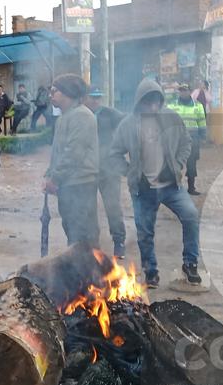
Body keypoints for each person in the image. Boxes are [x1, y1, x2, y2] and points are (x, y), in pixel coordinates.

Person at [108, 78, 201, 288]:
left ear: (161, 100)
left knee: (191, 216)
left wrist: (178, 163)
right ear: (139, 101)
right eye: (147, 102)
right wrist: (130, 171)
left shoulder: (171, 117)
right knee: (145, 232)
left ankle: (190, 263)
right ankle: (150, 272)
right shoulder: (128, 124)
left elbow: (186, 142)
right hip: (143, 189)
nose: (152, 106)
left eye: (156, 101)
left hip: (170, 186)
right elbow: (113, 154)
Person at [46, 74, 100, 247]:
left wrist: (55, 178)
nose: (51, 95)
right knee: (71, 230)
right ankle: (78, 270)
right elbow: (58, 152)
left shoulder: (82, 116)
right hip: (68, 184)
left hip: (80, 185)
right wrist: (49, 175)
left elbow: (73, 154)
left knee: (83, 235)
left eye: (55, 91)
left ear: (67, 93)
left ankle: (90, 271)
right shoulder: (63, 117)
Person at [84, 88, 127, 258]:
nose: (95, 101)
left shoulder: (111, 114)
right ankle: (93, 245)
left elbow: (127, 126)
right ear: (85, 98)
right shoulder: (81, 115)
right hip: (88, 169)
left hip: (109, 169)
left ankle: (119, 241)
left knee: (113, 206)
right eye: (92, 98)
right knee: (88, 209)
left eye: (98, 98)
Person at [168, 84, 207, 195]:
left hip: (192, 139)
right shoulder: (172, 106)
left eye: (185, 90)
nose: (183, 93)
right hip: (176, 139)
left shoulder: (197, 106)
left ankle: (191, 187)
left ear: (190, 91)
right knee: (174, 162)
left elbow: (202, 121)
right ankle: (174, 187)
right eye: (181, 91)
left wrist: (203, 136)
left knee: (191, 164)